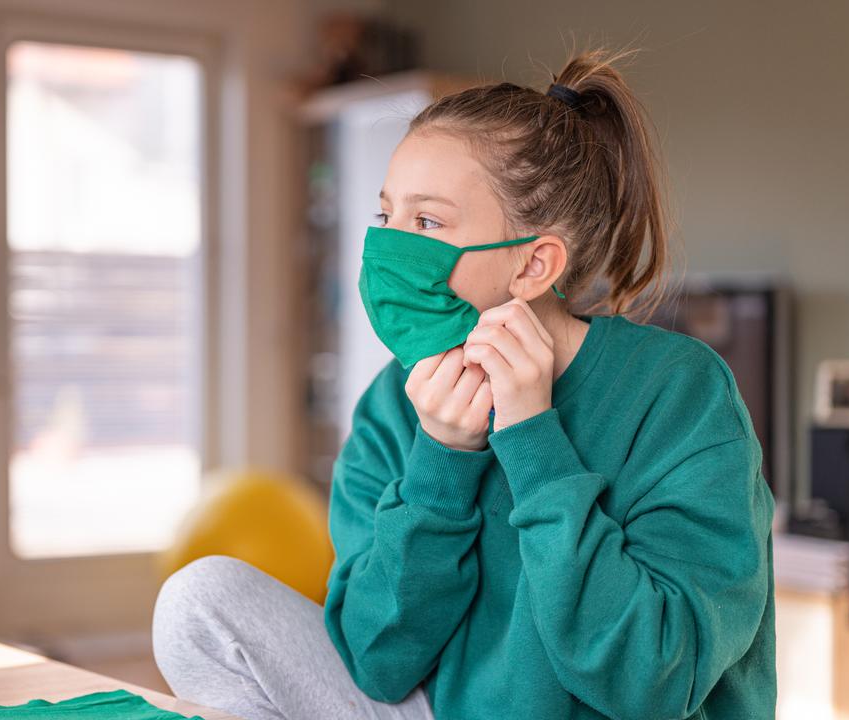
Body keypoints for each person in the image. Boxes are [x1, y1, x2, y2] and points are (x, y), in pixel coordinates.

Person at [152, 45, 776, 720]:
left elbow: (651, 682)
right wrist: (441, 463)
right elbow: (379, 663)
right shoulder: (393, 404)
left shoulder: (677, 392)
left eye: (426, 222)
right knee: (199, 602)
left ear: (534, 265)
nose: (388, 246)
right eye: (385, 215)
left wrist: (536, 441)